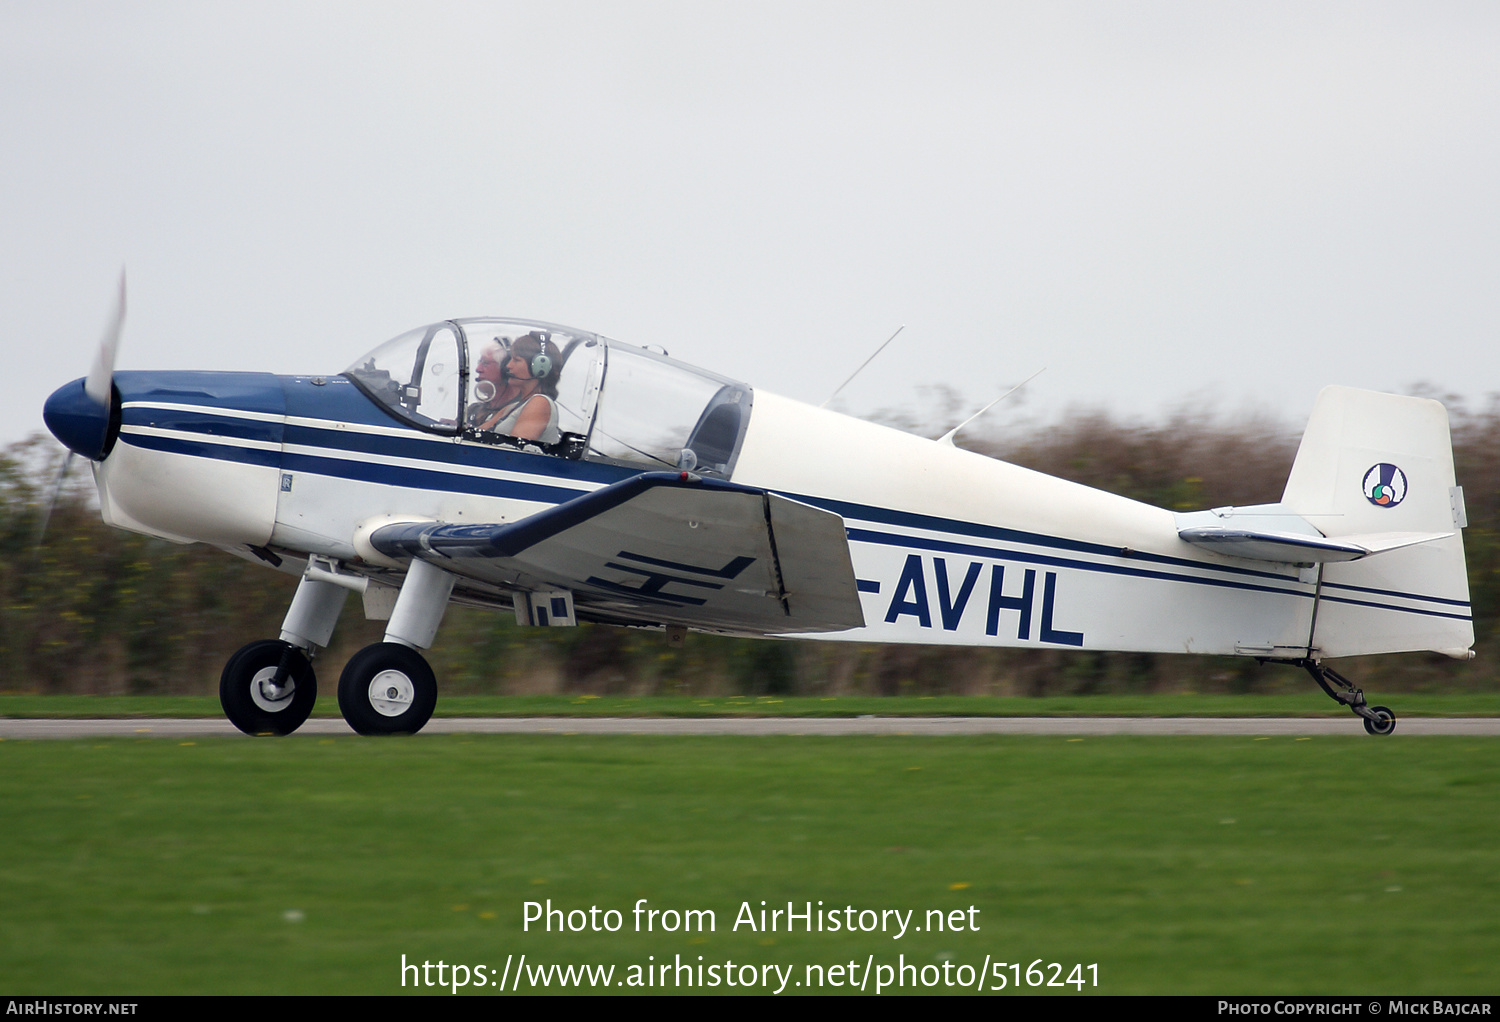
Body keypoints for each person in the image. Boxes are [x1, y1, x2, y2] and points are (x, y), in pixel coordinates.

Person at [472, 332, 561, 444]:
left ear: (539, 367)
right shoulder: (512, 408)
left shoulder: (540, 403)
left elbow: (512, 453)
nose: (508, 366)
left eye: (516, 360)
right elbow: (472, 436)